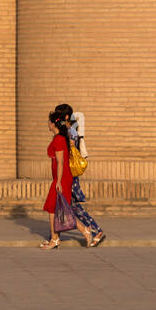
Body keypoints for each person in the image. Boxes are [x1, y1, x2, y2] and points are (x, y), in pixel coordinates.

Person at [39, 105, 95, 249]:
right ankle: (85, 231)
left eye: (48, 122)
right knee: (62, 209)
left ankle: (55, 239)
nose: (47, 124)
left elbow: (61, 162)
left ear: (53, 124)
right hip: (61, 178)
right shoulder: (60, 137)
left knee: (52, 208)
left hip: (61, 179)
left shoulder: (58, 139)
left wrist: (58, 181)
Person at [66, 105, 105, 247]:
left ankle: (94, 229)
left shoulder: (70, 133)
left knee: (69, 204)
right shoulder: (71, 131)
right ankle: (92, 229)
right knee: (71, 205)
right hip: (71, 173)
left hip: (70, 173)